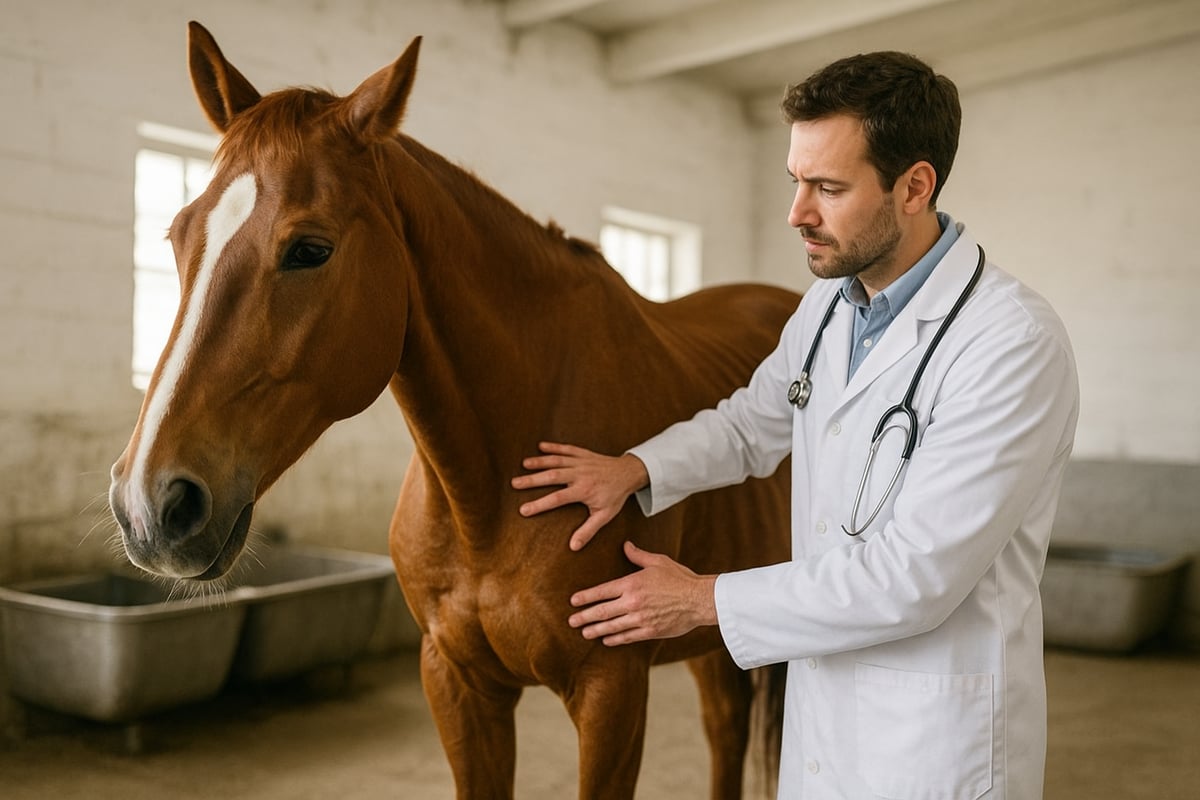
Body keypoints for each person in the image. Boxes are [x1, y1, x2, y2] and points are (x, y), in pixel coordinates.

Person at [511, 51, 1078, 799]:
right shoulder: (827, 306)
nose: (797, 213)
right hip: (825, 715)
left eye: (828, 188)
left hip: (933, 740)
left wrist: (704, 599)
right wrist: (638, 469)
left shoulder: (1009, 342)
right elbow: (753, 423)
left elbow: (916, 576)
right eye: (796, 181)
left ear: (915, 187)